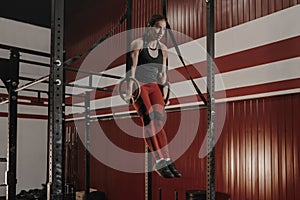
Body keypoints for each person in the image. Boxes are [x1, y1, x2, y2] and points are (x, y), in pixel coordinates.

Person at [126, 14, 182, 178]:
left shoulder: (163, 49)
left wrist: (165, 95)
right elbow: (131, 72)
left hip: (155, 87)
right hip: (140, 85)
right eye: (158, 27)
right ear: (149, 26)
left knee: (159, 121)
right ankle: (159, 161)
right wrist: (129, 91)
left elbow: (163, 75)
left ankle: (167, 158)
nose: (160, 32)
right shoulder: (137, 44)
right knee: (149, 121)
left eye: (163, 29)